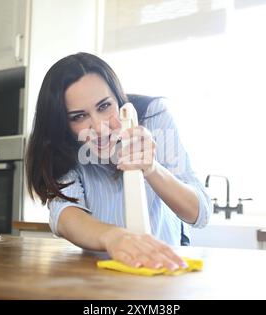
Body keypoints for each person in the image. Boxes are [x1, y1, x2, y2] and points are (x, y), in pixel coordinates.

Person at [26, 52, 211, 271]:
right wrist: (114, 237)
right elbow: (65, 216)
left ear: (119, 99)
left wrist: (151, 168)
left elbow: (198, 213)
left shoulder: (155, 116)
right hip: (102, 272)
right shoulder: (65, 147)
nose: (98, 127)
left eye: (104, 106)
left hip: (164, 268)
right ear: (64, 124)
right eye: (78, 117)